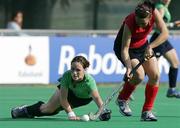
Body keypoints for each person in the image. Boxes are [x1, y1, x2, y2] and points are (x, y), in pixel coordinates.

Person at [113, 1, 168, 121]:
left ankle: (146, 112)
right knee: (139, 75)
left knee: (155, 75)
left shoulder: (155, 12)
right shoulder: (130, 21)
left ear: (150, 17)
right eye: (138, 22)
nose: (140, 25)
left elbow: (165, 33)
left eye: (143, 23)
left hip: (143, 46)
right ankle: (122, 98)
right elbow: (125, 49)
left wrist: (150, 47)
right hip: (126, 48)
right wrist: (128, 67)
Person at [11, 56, 111, 121]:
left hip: (82, 99)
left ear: (85, 70)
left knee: (54, 111)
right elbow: (63, 99)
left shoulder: (90, 82)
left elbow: (97, 98)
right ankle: (25, 110)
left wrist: (102, 110)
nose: (74, 73)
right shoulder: (67, 76)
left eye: (78, 70)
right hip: (68, 92)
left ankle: (30, 112)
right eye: (72, 69)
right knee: (48, 109)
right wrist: (71, 114)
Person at [150, 0, 180, 98]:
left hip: (164, 40)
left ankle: (172, 89)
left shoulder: (164, 7)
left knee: (175, 63)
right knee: (151, 70)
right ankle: (130, 87)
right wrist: (173, 25)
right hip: (158, 40)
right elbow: (156, 26)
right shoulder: (160, 8)